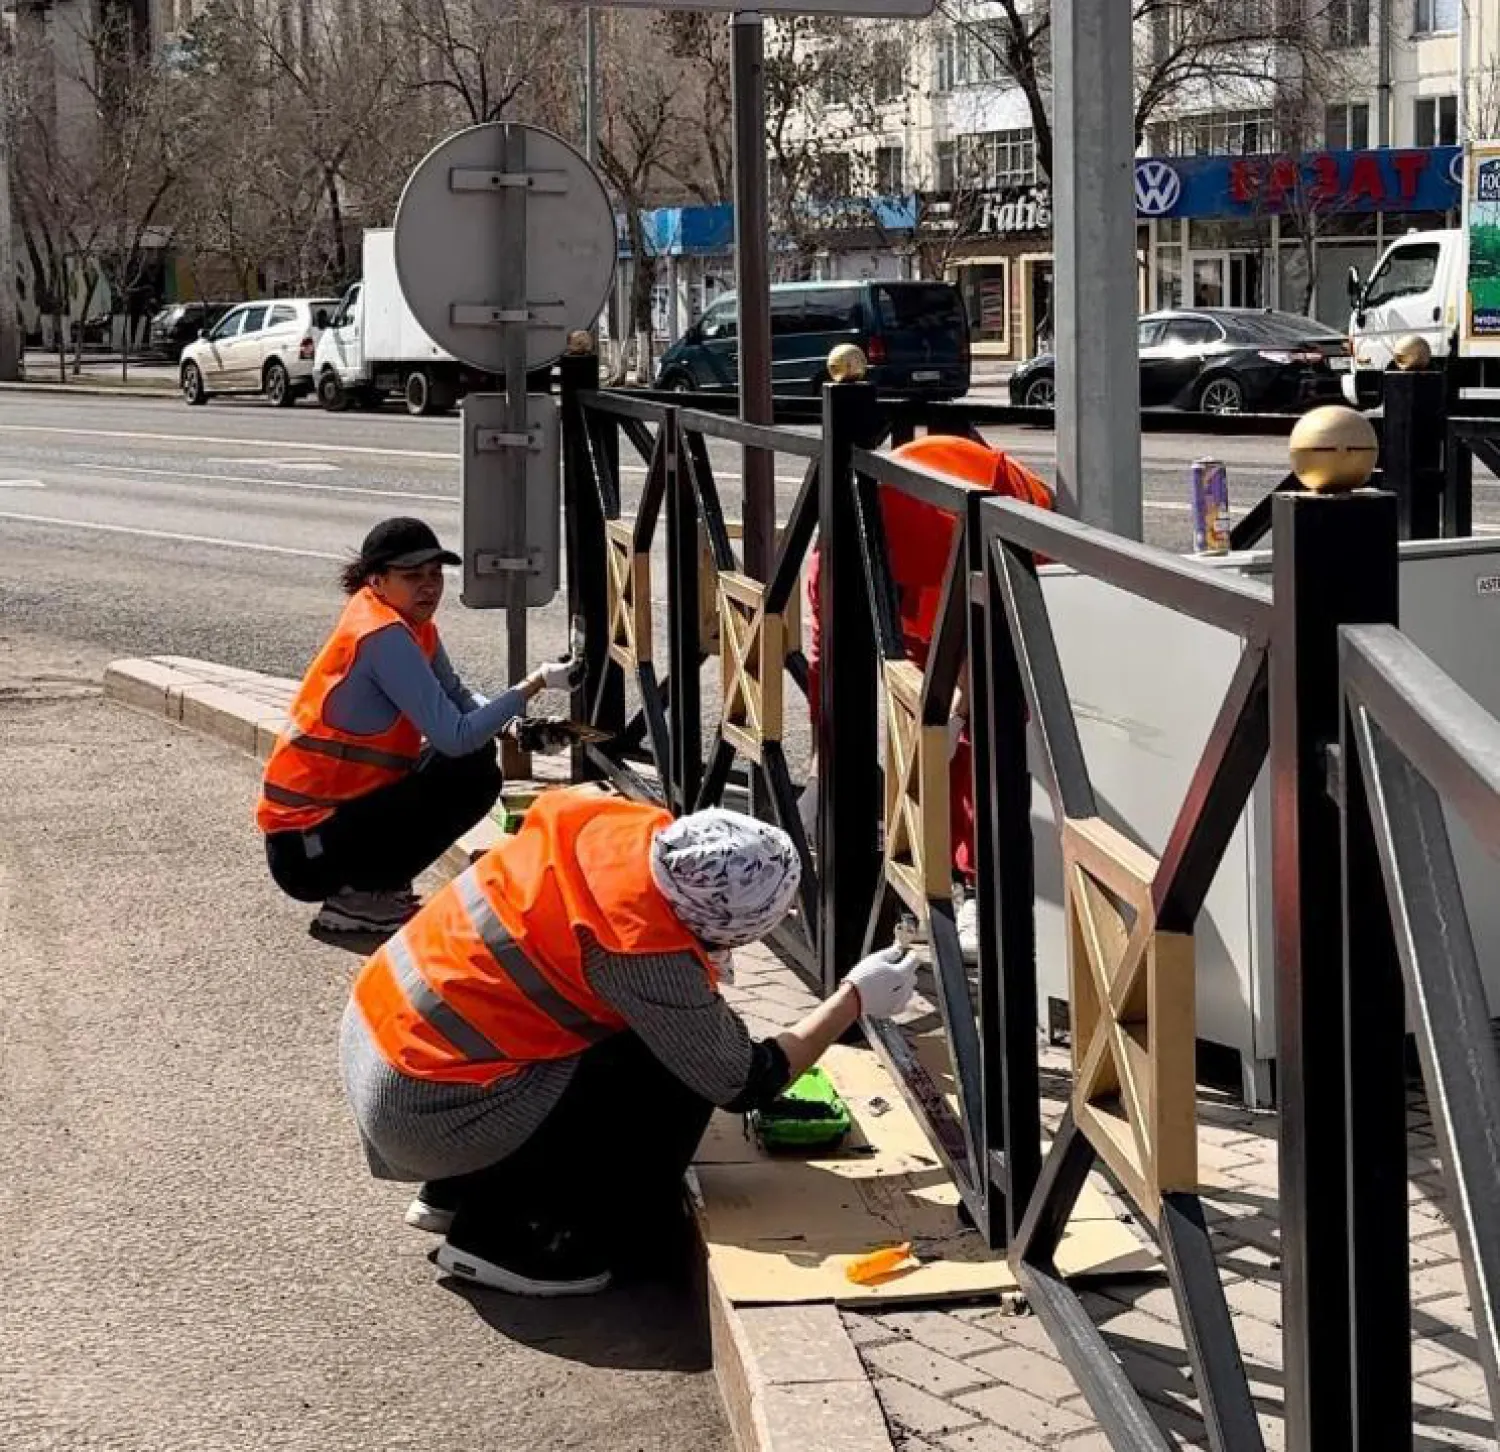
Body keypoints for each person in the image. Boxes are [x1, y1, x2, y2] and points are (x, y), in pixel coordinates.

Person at [340, 784, 920, 1297]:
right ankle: (510, 1239)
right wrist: (852, 999)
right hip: (421, 1109)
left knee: (609, 1038)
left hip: (388, 1043)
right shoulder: (637, 943)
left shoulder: (616, 829)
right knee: (677, 1078)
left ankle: (459, 1189)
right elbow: (745, 1079)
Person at [258, 516, 581, 935]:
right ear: (376, 580)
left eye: (435, 574)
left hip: (324, 828)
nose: (429, 586)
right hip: (306, 852)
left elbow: (458, 697)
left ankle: (371, 886)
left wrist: (517, 726)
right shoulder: (384, 637)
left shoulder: (404, 621)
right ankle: (361, 897)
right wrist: (535, 683)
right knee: (470, 772)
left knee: (474, 760)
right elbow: (456, 735)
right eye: (412, 576)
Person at [803, 436, 1054, 958]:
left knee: (988, 733)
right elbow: (824, 664)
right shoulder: (828, 571)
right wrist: (819, 759)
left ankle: (985, 889)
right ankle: (930, 879)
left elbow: (972, 664)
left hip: (1007, 542)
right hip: (934, 573)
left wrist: (956, 713)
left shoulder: (928, 537)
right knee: (923, 727)